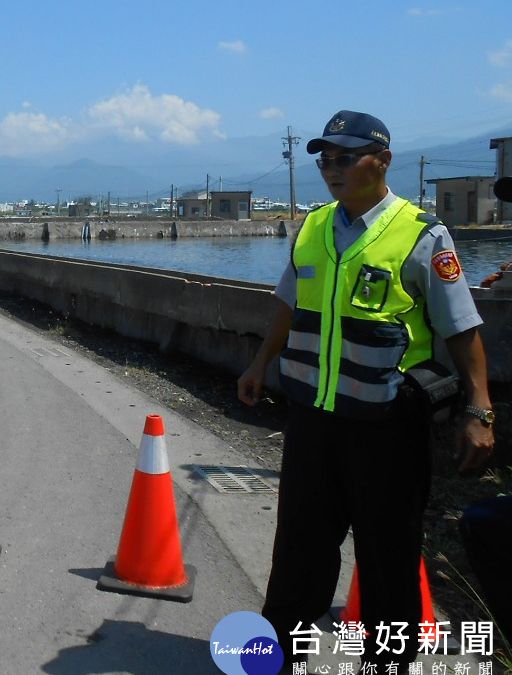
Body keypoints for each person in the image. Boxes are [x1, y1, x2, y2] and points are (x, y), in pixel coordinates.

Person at [236, 110, 497, 672]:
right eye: (325, 158)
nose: (332, 168)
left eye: (345, 157)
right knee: (299, 550)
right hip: (313, 417)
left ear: (381, 161)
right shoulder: (311, 227)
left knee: (388, 557)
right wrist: (261, 362)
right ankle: (279, 657)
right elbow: (289, 303)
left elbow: (462, 328)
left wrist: (480, 410)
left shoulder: (422, 233)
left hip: (388, 425)